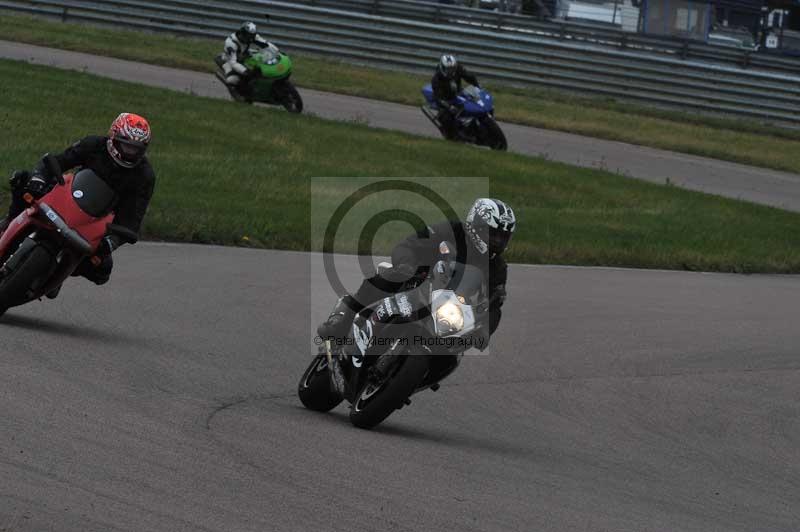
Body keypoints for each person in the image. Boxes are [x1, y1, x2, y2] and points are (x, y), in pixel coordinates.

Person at [317, 198, 516, 350]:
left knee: (455, 349)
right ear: (476, 225)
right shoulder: (451, 230)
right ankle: (343, 321)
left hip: (448, 309)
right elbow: (409, 243)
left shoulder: (497, 267)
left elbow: (494, 305)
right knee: (391, 277)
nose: (498, 241)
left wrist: (484, 331)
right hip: (418, 281)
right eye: (494, 234)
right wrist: (406, 265)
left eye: (503, 237)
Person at [0, 113, 156, 290]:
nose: (130, 153)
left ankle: (55, 271)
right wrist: (39, 178)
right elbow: (59, 161)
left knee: (101, 269)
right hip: (70, 195)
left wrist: (112, 242)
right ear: (113, 137)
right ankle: (8, 222)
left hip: (99, 219)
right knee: (23, 181)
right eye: (126, 146)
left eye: (135, 149)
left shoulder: (144, 176)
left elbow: (133, 217)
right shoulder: (94, 145)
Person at [431, 54, 481, 139]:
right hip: (446, 98)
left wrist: (477, 87)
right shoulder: (436, 79)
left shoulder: (458, 68)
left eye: (452, 68)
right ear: (442, 67)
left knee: (475, 102)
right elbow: (438, 98)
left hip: (458, 93)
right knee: (446, 117)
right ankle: (454, 136)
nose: (450, 71)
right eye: (448, 69)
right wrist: (449, 106)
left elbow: (469, 77)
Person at [221, 21, 276, 97]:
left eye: (252, 36)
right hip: (229, 60)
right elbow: (233, 62)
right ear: (242, 33)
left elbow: (266, 44)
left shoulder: (252, 37)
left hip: (244, 54)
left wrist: (277, 52)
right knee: (233, 80)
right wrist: (246, 71)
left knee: (262, 60)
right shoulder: (231, 43)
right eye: (248, 36)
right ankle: (239, 94)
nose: (250, 38)